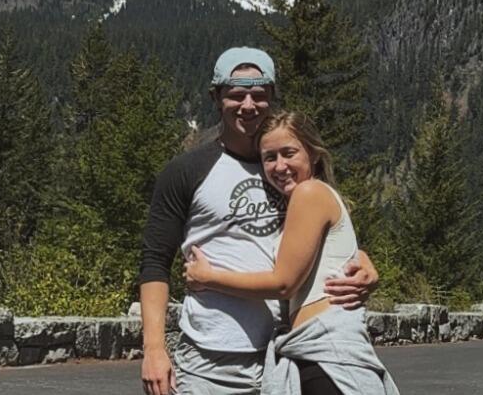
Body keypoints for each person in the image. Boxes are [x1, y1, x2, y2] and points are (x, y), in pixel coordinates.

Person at [139, 48, 378, 395]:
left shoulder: (287, 174)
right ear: (216, 98)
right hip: (210, 360)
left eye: (259, 95)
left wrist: (361, 262)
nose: (248, 105)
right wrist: (154, 349)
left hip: (283, 356)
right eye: (236, 95)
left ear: (272, 99)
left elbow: (320, 235)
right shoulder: (187, 171)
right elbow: (155, 262)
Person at [184, 112, 398, 395]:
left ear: (313, 155)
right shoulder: (307, 201)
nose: (279, 165)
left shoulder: (309, 193)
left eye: (289, 153)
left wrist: (208, 277)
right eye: (269, 157)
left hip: (327, 354)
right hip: (316, 351)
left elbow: (284, 283)